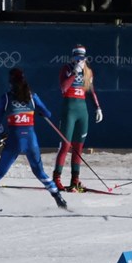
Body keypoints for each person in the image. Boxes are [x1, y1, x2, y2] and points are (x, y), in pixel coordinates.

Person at [0, 68, 67, 212]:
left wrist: (2, 133)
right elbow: (47, 113)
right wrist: (40, 112)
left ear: (10, 82)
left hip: (14, 139)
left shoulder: (6, 98)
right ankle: (59, 199)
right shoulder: (32, 96)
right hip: (30, 140)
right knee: (40, 172)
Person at [52, 44, 103, 192]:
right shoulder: (67, 69)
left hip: (82, 111)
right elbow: (63, 88)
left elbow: (91, 90)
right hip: (69, 110)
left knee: (78, 147)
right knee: (65, 145)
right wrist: (74, 72)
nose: (79, 61)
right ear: (72, 57)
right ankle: (56, 178)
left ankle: (75, 179)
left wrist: (98, 107)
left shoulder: (88, 72)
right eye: (77, 57)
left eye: (81, 58)